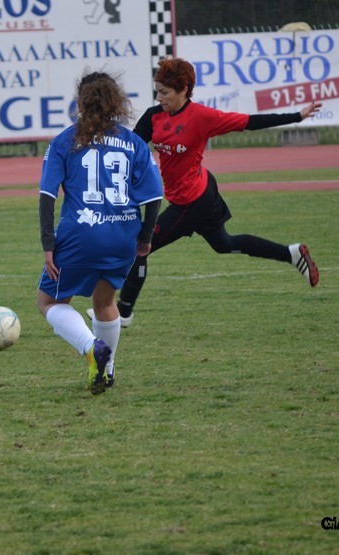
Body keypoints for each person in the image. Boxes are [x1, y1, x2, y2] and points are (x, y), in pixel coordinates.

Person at [88, 56, 322, 329]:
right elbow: (131, 148)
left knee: (140, 247)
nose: (159, 97)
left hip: (192, 202)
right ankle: (291, 254)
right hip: (200, 192)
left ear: (184, 90)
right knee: (225, 244)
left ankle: (123, 312)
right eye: (157, 91)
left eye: (164, 92)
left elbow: (248, 121)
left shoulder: (201, 117)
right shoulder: (154, 116)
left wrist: (297, 116)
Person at [37, 71, 164, 394]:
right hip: (123, 235)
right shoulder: (134, 143)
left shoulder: (64, 141)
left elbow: (47, 196)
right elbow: (154, 197)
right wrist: (145, 238)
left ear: (81, 103)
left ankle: (92, 347)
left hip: (81, 234)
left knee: (48, 301)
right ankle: (106, 371)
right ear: (115, 102)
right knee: (105, 301)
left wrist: (48, 244)